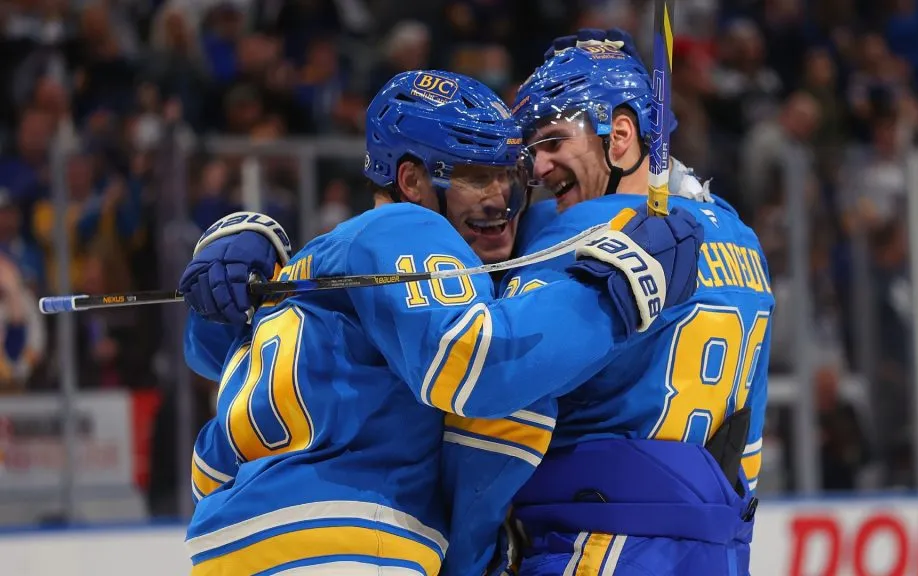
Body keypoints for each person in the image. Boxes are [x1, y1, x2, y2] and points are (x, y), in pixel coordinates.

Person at [178, 69, 704, 576]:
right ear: (410, 180)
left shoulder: (317, 264)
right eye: (475, 176)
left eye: (509, 174)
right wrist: (619, 292)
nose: (500, 197)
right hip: (349, 537)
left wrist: (233, 236)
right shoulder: (408, 226)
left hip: (229, 540)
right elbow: (476, 364)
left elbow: (210, 346)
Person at [492, 34, 776, 575]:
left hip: (599, 538)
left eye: (552, 141)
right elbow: (749, 432)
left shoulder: (579, 229)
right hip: (713, 544)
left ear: (619, 134)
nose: (539, 167)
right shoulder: (742, 237)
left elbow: (501, 381)